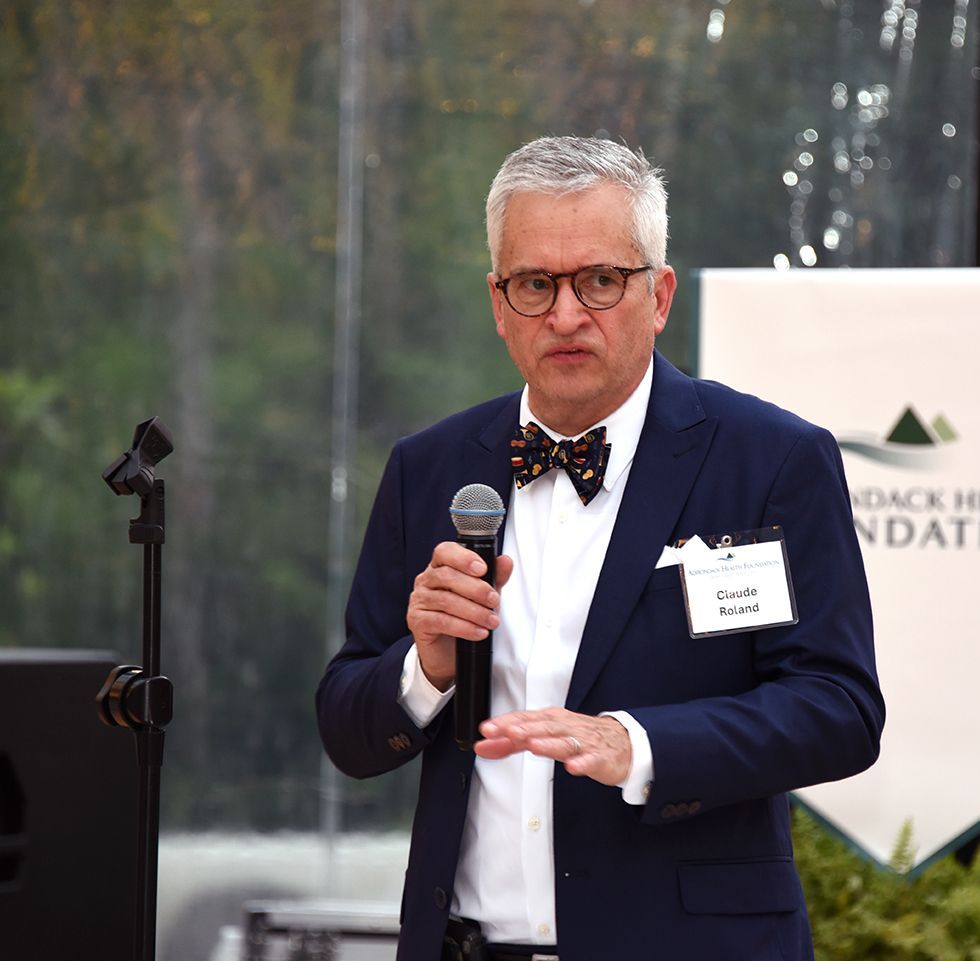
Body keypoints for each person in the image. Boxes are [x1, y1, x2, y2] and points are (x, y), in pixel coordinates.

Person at [316, 136, 884, 961]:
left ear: (658, 295)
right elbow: (347, 728)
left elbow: (840, 709)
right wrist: (425, 666)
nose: (567, 314)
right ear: (497, 302)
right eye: (536, 284)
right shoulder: (429, 468)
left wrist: (639, 745)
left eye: (600, 280)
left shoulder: (770, 460)